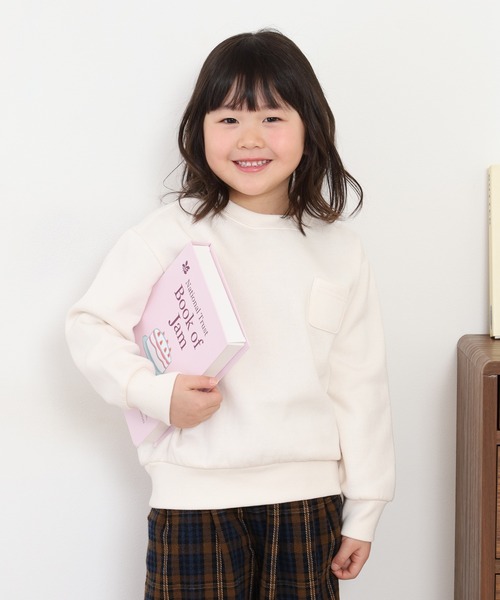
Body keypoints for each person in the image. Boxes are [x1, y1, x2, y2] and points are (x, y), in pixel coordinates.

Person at [66, 29, 395, 600]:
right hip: (194, 500)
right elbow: (90, 326)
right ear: (199, 130)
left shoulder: (339, 248)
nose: (250, 138)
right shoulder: (169, 233)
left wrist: (365, 507)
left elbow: (359, 382)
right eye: (228, 118)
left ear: (310, 127)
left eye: (272, 117)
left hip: (307, 503)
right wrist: (153, 392)